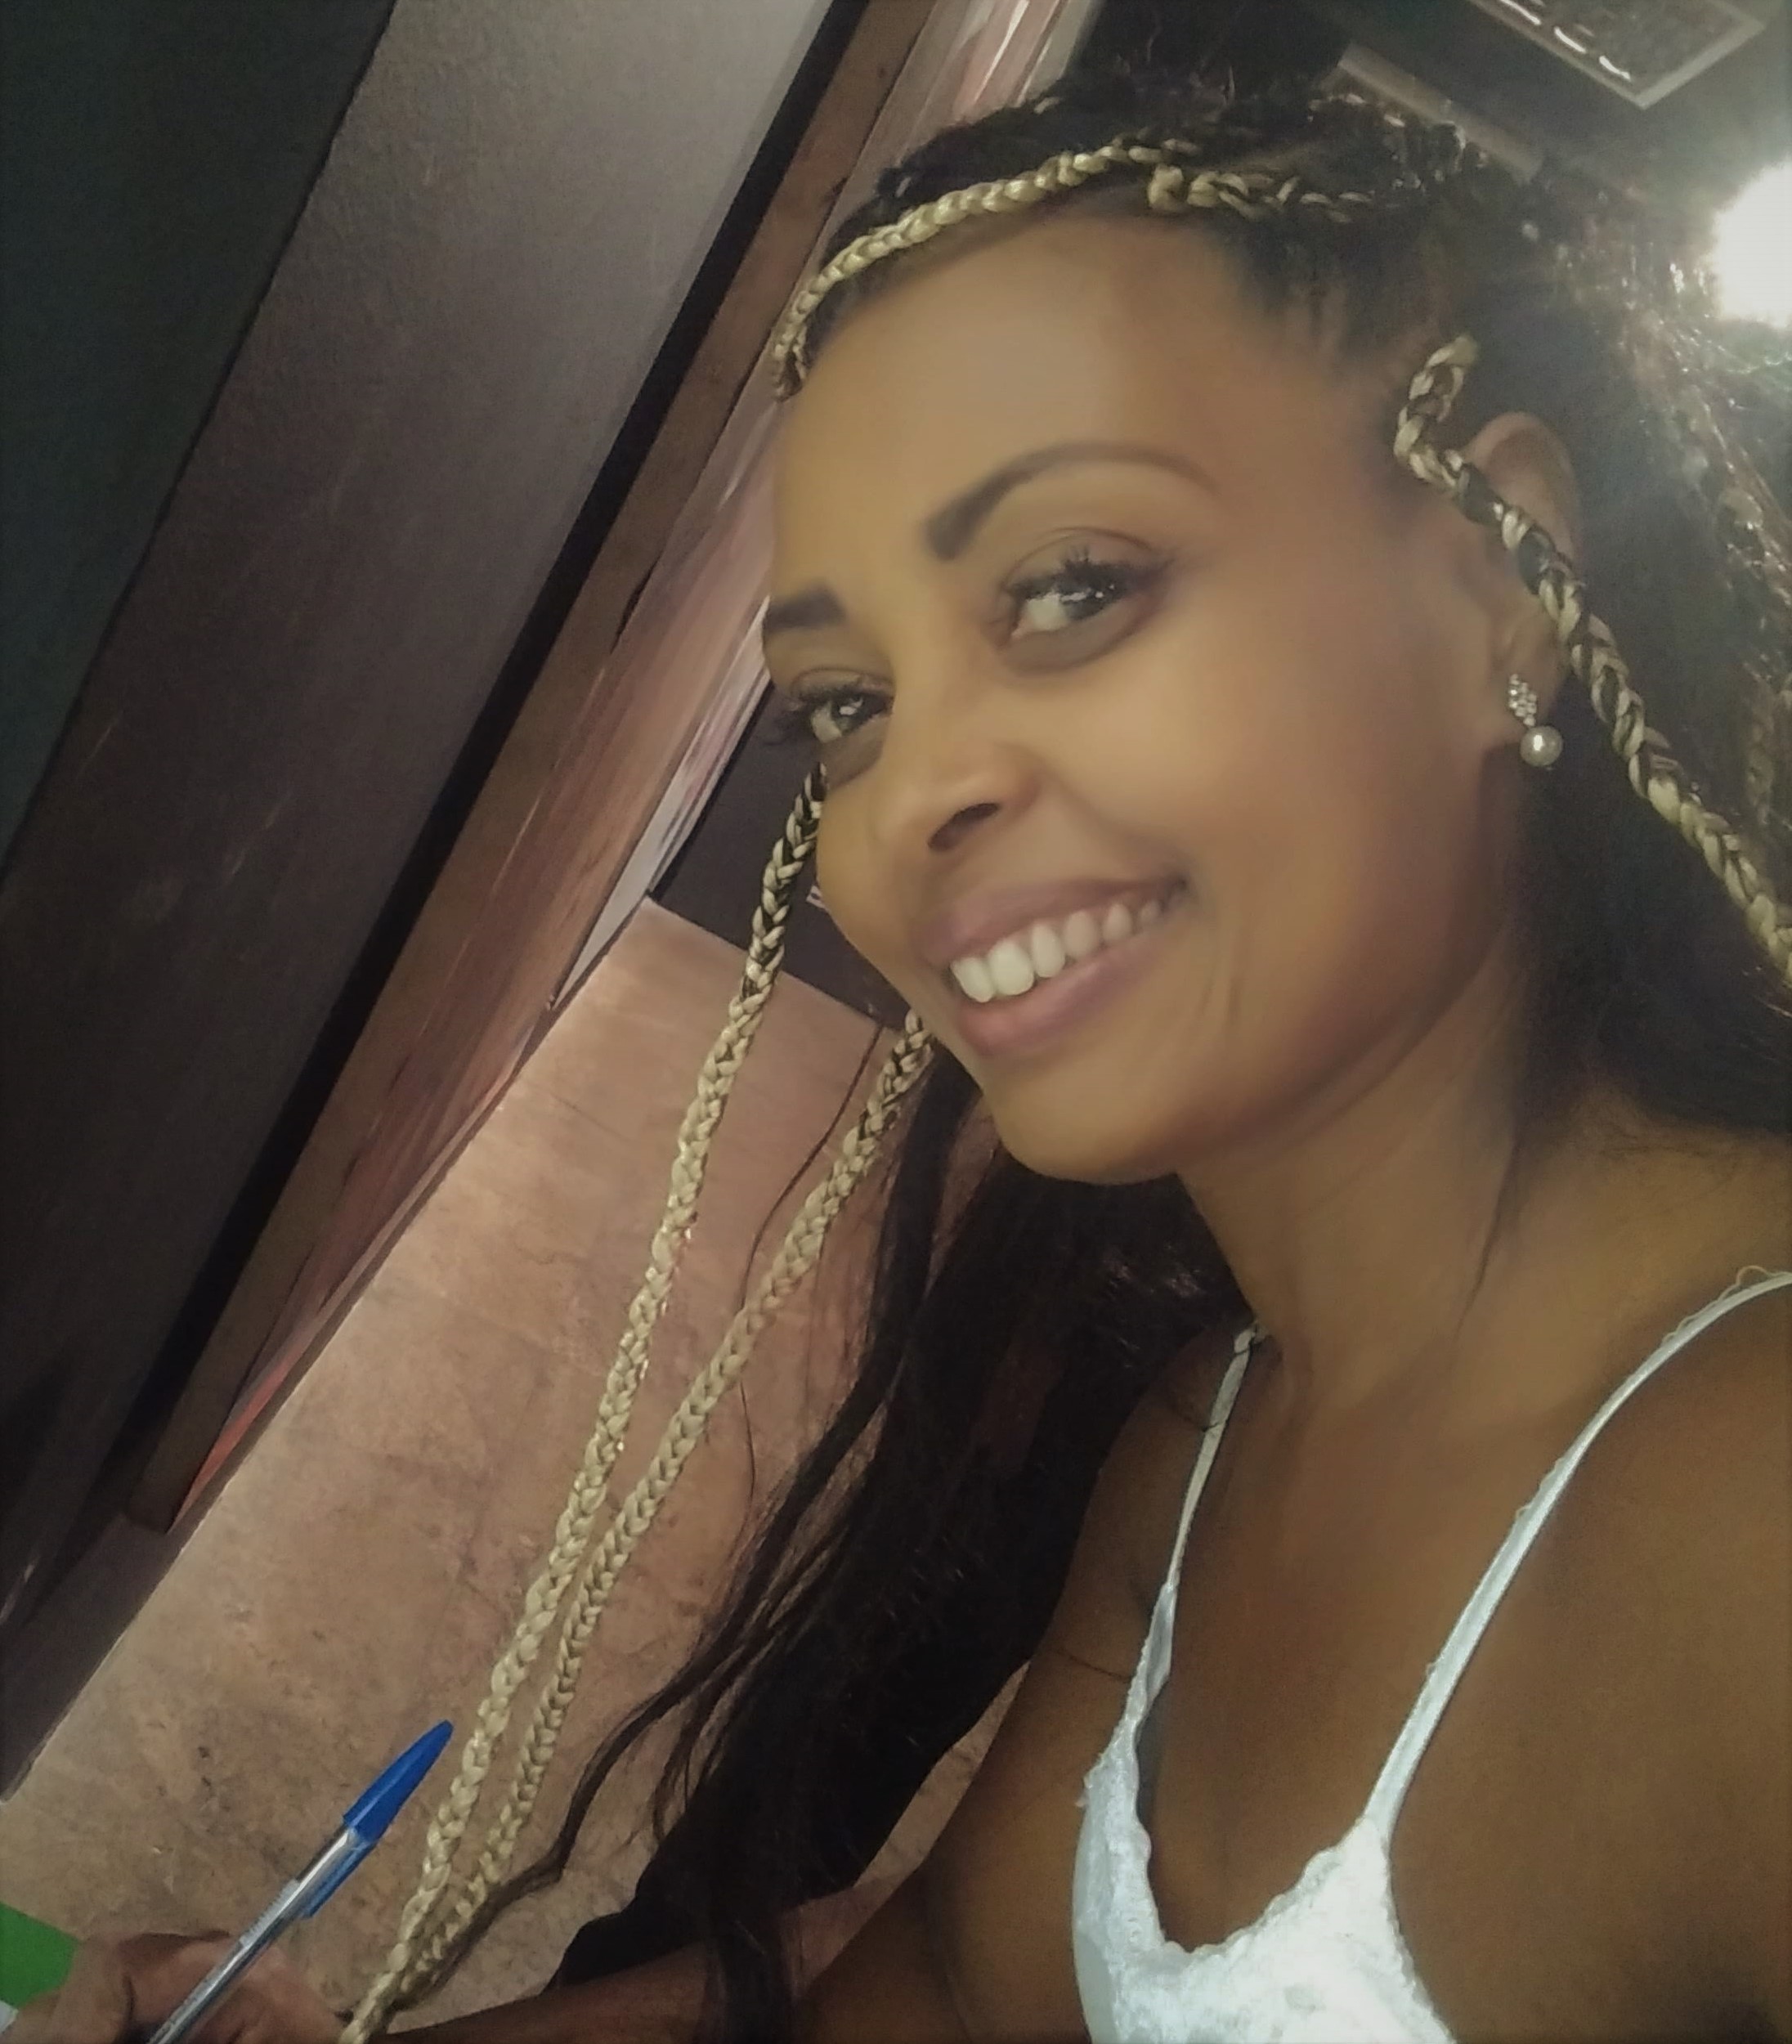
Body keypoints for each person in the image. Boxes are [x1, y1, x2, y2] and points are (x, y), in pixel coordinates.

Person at [20, 65, 1791, 2044]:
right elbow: (953, 1983)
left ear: (1499, 588)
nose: (915, 790)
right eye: (842, 703)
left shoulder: (1751, 1503)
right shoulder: (1207, 1443)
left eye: (1070, 585)